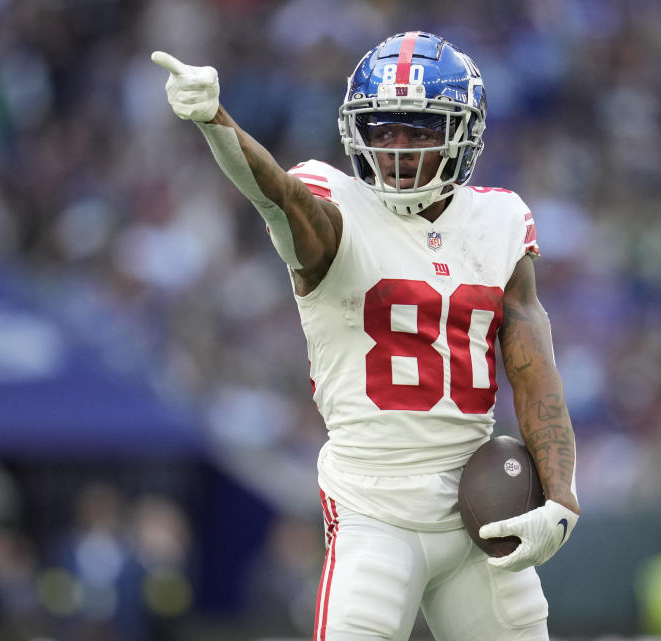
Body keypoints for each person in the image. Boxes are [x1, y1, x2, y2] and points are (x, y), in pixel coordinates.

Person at [152, 30, 580, 641]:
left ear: (464, 134)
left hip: (477, 510)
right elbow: (276, 195)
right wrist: (216, 121)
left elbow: (534, 368)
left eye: (420, 129)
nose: (398, 148)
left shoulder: (500, 220)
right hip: (373, 510)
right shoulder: (335, 204)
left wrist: (562, 497)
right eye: (382, 129)